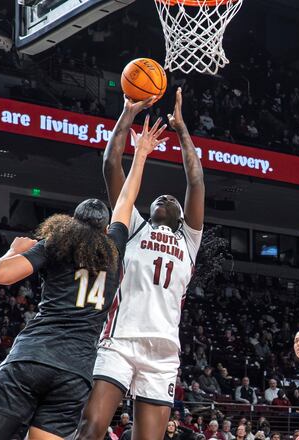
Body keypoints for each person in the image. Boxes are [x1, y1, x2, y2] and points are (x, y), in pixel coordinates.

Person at [0, 117, 164, 440]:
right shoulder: (115, 248)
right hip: (76, 371)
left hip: (33, 356)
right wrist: (142, 153)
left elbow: (0, 276)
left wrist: (11, 250)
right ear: (106, 230)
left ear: (72, 224)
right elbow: (125, 201)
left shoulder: (56, 244)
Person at [76, 88, 204, 440]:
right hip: (121, 340)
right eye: (159, 197)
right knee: (91, 428)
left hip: (163, 351)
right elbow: (110, 165)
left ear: (182, 217)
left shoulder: (189, 241)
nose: (165, 197)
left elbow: (196, 180)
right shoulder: (132, 226)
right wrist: (127, 114)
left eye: (173, 200)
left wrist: (181, 130)